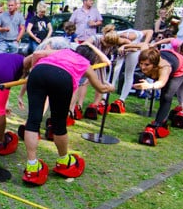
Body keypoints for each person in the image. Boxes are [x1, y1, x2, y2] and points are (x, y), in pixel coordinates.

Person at [21, 40, 114, 184]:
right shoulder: (85, 63)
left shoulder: (64, 51)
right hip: (62, 77)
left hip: (38, 72)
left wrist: (33, 69)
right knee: (59, 124)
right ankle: (64, 160)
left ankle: (32, 166)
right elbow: (101, 88)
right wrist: (111, 88)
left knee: (33, 120)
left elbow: (38, 53)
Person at [134, 46, 183, 144]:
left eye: (146, 64)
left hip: (179, 69)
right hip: (166, 55)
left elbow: (161, 83)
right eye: (141, 64)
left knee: (166, 95)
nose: (142, 67)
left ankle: (159, 123)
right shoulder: (147, 58)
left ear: (154, 65)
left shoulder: (165, 67)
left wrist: (150, 85)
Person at [102, 27, 153, 107]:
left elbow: (150, 31)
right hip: (121, 48)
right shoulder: (115, 36)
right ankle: (104, 98)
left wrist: (145, 43)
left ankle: (122, 100)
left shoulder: (134, 35)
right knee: (114, 71)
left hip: (135, 48)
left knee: (129, 73)